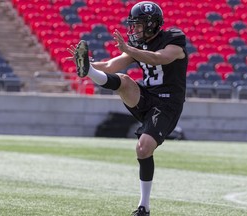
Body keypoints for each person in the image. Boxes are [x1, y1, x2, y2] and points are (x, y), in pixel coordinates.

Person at [67, 1, 188, 215]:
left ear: (151, 24)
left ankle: (144, 207)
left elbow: (159, 58)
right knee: (122, 79)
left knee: (143, 149)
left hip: (168, 104)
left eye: (139, 25)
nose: (134, 29)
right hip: (146, 98)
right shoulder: (138, 46)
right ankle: (89, 73)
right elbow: (111, 66)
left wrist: (129, 49)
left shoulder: (173, 39)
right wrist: (87, 64)